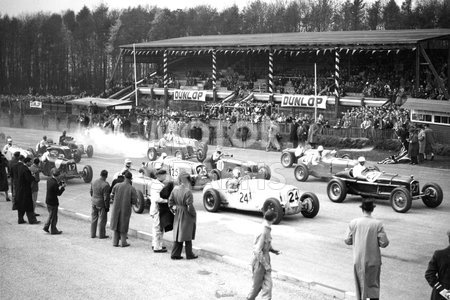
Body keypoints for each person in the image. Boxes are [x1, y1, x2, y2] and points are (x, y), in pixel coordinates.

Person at [344, 199, 389, 300]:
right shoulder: (378, 224)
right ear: (372, 210)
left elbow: (347, 240)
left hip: (358, 260)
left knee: (359, 286)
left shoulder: (354, 223)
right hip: (373, 260)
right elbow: (384, 243)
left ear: (362, 209)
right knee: (373, 286)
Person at [246, 210, 281, 300]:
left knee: (268, 287)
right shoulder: (263, 231)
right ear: (273, 219)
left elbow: (265, 245)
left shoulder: (266, 229)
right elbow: (257, 251)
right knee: (256, 287)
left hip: (265, 261)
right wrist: (266, 265)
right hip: (259, 263)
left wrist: (273, 250)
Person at [169, 172, 197, 260]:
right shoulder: (188, 191)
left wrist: (174, 210)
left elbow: (170, 203)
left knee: (178, 233)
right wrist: (193, 214)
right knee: (188, 234)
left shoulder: (175, 189)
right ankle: (189, 254)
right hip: (186, 214)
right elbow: (190, 206)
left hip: (178, 213)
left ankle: (175, 254)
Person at [110, 170, 137, 247]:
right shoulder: (132, 188)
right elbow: (134, 201)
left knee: (116, 224)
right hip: (126, 209)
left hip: (116, 208)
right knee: (123, 225)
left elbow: (111, 195)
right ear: (130, 179)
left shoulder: (117, 185)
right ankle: (123, 242)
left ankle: (115, 242)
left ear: (124, 177)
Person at [425, 230, 450, 300]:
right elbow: (429, 275)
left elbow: (429, 274)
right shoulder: (439, 255)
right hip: (441, 295)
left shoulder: (439, 254)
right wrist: (444, 291)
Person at [15, 156, 40, 224]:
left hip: (20, 189)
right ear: (27, 162)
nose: (31, 163)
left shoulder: (21, 167)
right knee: (29, 205)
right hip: (25, 190)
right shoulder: (25, 169)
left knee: (21, 206)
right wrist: (33, 177)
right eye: (30, 162)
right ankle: (32, 220)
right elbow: (28, 179)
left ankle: (20, 219)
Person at [150, 169, 169, 253]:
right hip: (158, 209)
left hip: (154, 209)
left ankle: (155, 244)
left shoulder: (154, 183)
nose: (165, 177)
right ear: (160, 176)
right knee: (159, 229)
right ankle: (157, 247)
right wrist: (166, 201)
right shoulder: (159, 186)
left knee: (155, 228)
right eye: (164, 175)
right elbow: (157, 199)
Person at [44, 168, 66, 234]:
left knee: (51, 215)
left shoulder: (49, 180)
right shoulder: (54, 183)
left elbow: (53, 187)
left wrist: (59, 184)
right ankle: (53, 230)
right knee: (54, 217)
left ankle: (46, 226)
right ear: (58, 175)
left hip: (48, 200)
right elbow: (58, 193)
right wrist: (63, 187)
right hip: (53, 202)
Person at [90, 170, 111, 239]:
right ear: (106, 176)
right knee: (102, 220)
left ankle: (92, 234)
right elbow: (106, 198)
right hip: (101, 204)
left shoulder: (94, 182)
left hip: (94, 202)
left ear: (100, 174)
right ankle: (101, 235)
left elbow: (91, 192)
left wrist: (93, 198)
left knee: (94, 218)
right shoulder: (106, 185)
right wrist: (107, 206)